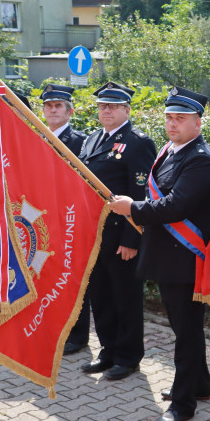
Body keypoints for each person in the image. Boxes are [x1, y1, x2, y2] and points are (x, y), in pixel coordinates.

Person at [110, 87, 210, 421]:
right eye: (169, 118)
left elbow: (175, 206)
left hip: (185, 259)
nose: (172, 124)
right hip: (167, 256)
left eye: (181, 118)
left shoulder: (200, 158)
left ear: (198, 123)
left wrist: (132, 208)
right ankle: (199, 386)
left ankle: (184, 402)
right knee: (183, 328)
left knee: (186, 332)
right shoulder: (171, 151)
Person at [78, 82, 154, 380]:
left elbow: (141, 193)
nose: (106, 110)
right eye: (102, 106)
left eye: (112, 106)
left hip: (121, 235)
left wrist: (131, 239)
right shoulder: (92, 139)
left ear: (127, 109)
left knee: (126, 298)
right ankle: (108, 351)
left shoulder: (138, 143)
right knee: (101, 297)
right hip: (94, 235)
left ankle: (128, 356)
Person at [39, 83, 90, 354]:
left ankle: (77, 335)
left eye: (58, 106)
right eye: (48, 106)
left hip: (68, 219)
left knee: (71, 277)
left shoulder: (80, 141)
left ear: (69, 112)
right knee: (47, 274)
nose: (53, 110)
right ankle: (54, 327)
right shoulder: (37, 136)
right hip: (41, 219)